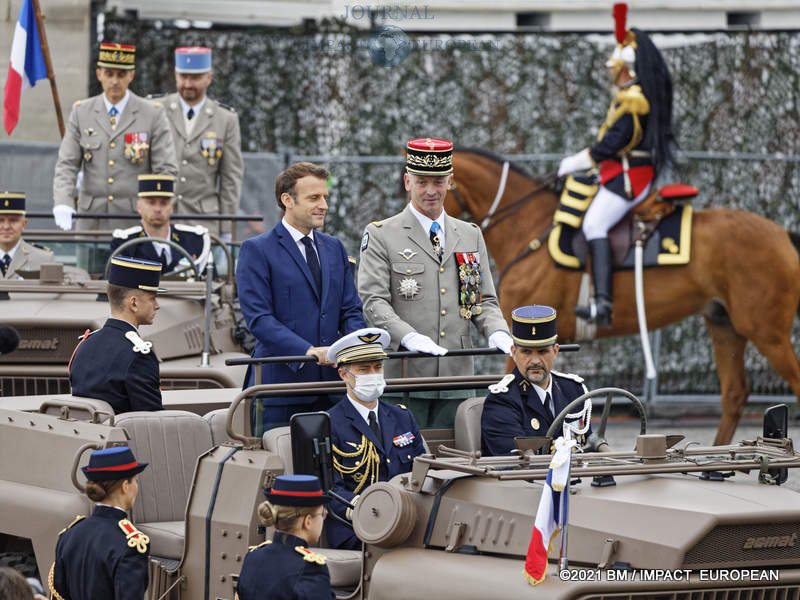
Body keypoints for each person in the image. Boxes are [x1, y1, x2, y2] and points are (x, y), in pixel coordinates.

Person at [357, 138, 512, 425]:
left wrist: (497, 331)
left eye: (438, 182)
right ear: (407, 182)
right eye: (422, 182)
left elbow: (479, 300)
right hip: (406, 376)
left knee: (460, 450)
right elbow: (373, 301)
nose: (431, 191)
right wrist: (408, 337)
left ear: (450, 182)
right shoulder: (382, 234)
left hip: (457, 376)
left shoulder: (469, 234)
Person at [557, 3, 676, 326]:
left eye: (615, 65)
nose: (611, 70)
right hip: (619, 173)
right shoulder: (629, 96)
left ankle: (603, 304)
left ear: (626, 68)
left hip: (630, 178)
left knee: (593, 225)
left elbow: (611, 145)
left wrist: (573, 162)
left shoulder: (633, 101)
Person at [236, 162, 365, 433]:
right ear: (287, 200)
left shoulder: (334, 248)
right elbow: (259, 319)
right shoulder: (257, 250)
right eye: (314, 198)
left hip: (335, 388)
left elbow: (350, 310)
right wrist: (307, 352)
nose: (324, 205)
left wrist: (354, 351)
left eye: (325, 197)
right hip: (281, 389)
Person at [52, 43, 177, 232]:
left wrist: (154, 207)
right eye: (109, 74)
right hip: (91, 220)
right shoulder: (81, 112)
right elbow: (67, 165)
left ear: (131, 76)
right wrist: (63, 201)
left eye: (121, 74)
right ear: (99, 74)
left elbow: (165, 169)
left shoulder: (152, 114)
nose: (115, 81)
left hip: (134, 221)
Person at [325, 328, 426, 549]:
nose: (373, 374)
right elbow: (331, 491)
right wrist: (372, 512)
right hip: (358, 528)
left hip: (409, 520)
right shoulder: (330, 424)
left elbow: (423, 471)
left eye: (377, 367)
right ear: (343, 374)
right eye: (364, 369)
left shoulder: (402, 417)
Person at [481, 305, 607, 457]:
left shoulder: (574, 390)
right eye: (526, 352)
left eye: (542, 352)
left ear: (555, 351)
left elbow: (587, 446)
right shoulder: (502, 401)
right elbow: (516, 462)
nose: (535, 361)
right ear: (514, 352)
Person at [148, 46, 243, 240]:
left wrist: (226, 227)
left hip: (203, 222)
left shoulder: (225, 119)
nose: (188, 84)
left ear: (209, 78)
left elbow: (230, 178)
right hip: (158, 220)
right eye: (183, 77)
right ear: (175, 76)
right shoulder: (154, 109)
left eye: (195, 78)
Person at [49, 446, 150, 600]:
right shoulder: (129, 545)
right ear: (125, 486)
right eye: (136, 481)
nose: (136, 487)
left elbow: (58, 595)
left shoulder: (69, 534)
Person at [69, 256, 166, 413]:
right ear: (133, 303)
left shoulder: (84, 346)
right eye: (152, 298)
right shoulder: (138, 357)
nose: (157, 305)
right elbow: (152, 420)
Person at [236, 475, 334, 600]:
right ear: (308, 521)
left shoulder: (253, 557)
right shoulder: (309, 569)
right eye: (322, 514)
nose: (322, 519)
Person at [111, 174, 211, 275]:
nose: (157, 209)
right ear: (139, 207)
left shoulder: (193, 240)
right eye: (151, 203)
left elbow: (211, 280)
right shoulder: (125, 243)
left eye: (164, 203)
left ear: (171, 207)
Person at [0, 192, 53, 279]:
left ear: (24, 224)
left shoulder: (44, 259)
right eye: (0, 220)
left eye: (13, 220)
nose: (6, 227)